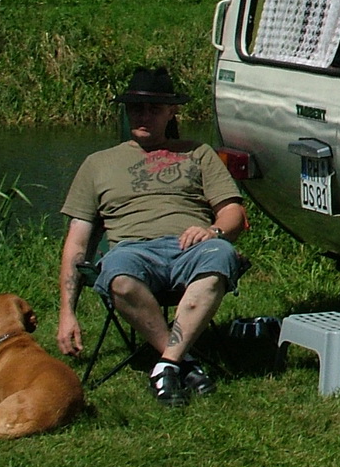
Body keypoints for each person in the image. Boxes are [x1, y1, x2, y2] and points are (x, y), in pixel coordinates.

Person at [56, 67, 249, 404]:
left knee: (220, 255)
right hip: (133, 252)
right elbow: (77, 240)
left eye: (154, 109)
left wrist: (211, 230)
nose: (143, 116)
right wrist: (66, 313)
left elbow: (234, 212)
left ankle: (166, 365)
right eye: (136, 109)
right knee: (116, 273)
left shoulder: (198, 153)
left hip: (190, 248)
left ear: (172, 112)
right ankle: (181, 361)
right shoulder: (97, 164)